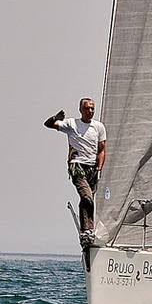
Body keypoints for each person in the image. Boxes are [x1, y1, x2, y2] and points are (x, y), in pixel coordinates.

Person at [45, 98, 107, 245]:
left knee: (86, 200)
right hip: (77, 165)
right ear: (81, 109)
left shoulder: (98, 127)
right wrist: (56, 118)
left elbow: (102, 150)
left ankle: (86, 231)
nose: (90, 111)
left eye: (92, 108)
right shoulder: (72, 124)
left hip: (92, 168)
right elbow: (47, 124)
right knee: (87, 196)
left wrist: (99, 168)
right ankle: (88, 229)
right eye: (87, 108)